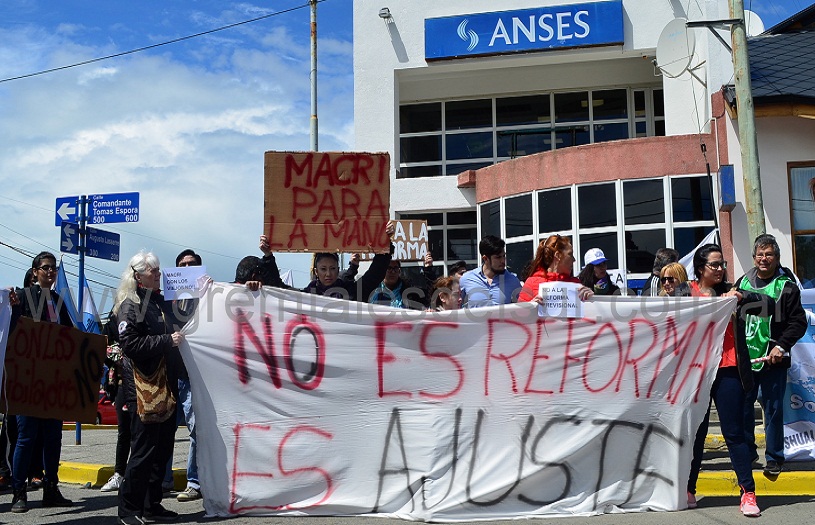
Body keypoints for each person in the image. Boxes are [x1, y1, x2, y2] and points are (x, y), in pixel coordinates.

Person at [684, 243, 766, 515]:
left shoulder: (732, 293)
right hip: (695, 373)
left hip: (728, 369)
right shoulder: (686, 294)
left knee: (734, 433)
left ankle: (748, 493)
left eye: (723, 265)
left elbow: (770, 307)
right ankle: (688, 489)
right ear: (700, 268)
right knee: (696, 433)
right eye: (714, 265)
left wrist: (742, 297)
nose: (720, 269)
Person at [116, 251, 185, 525]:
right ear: (138, 276)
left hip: (166, 386)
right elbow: (130, 345)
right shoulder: (130, 305)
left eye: (158, 270)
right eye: (153, 271)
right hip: (142, 389)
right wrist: (166, 341)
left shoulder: (160, 303)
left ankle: (151, 505)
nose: (159, 274)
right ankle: (128, 509)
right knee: (143, 450)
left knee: (162, 450)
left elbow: (186, 316)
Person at [734, 234, 807, 478]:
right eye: (760, 254)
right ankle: (749, 452)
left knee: (773, 409)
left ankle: (774, 457)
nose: (764, 259)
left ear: (776, 258)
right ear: (754, 258)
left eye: (769, 255)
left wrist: (782, 346)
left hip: (773, 359)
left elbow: (798, 322)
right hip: (746, 358)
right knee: (743, 408)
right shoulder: (742, 282)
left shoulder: (786, 285)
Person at [8, 252, 74, 513]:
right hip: (27, 383)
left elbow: (71, 337)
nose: (50, 272)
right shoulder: (22, 298)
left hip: (53, 384)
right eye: (45, 268)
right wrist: (10, 305)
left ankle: (51, 488)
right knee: (26, 438)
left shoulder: (57, 302)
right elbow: (10, 330)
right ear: (34, 271)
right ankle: (18, 493)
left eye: (53, 269)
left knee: (53, 438)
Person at [261, 222, 396, 302]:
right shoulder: (307, 297)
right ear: (316, 272)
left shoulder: (352, 293)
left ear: (338, 270)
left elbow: (375, 273)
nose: (328, 274)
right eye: (323, 269)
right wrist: (268, 255)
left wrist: (385, 241)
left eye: (332, 268)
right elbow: (278, 287)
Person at [173, 250, 202, 502]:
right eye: (182, 265)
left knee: (195, 431)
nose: (186, 268)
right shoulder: (165, 300)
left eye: (192, 265)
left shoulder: (208, 298)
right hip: (168, 374)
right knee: (161, 432)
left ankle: (194, 481)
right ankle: (161, 480)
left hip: (193, 374)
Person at [99, 314, 130, 494]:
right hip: (120, 384)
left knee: (141, 433)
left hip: (144, 382)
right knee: (124, 431)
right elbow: (105, 350)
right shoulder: (111, 324)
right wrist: (123, 353)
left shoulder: (141, 317)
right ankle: (119, 473)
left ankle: (136, 475)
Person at [518, 235, 593, 302]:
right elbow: (519, 314)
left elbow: (587, 314)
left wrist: (591, 298)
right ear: (558, 255)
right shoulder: (531, 283)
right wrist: (532, 306)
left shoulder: (576, 284)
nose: (574, 260)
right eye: (570, 254)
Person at [459, 235, 522, 307]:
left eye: (504, 256)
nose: (503, 261)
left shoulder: (513, 281)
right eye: (498, 257)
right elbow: (455, 307)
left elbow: (522, 308)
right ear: (485, 258)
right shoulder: (466, 279)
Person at [368, 253, 435, 309]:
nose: (393, 272)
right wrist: (356, 266)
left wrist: (428, 269)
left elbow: (431, 295)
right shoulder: (372, 291)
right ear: (383, 270)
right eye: (389, 268)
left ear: (399, 271)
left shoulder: (410, 293)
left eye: (396, 268)